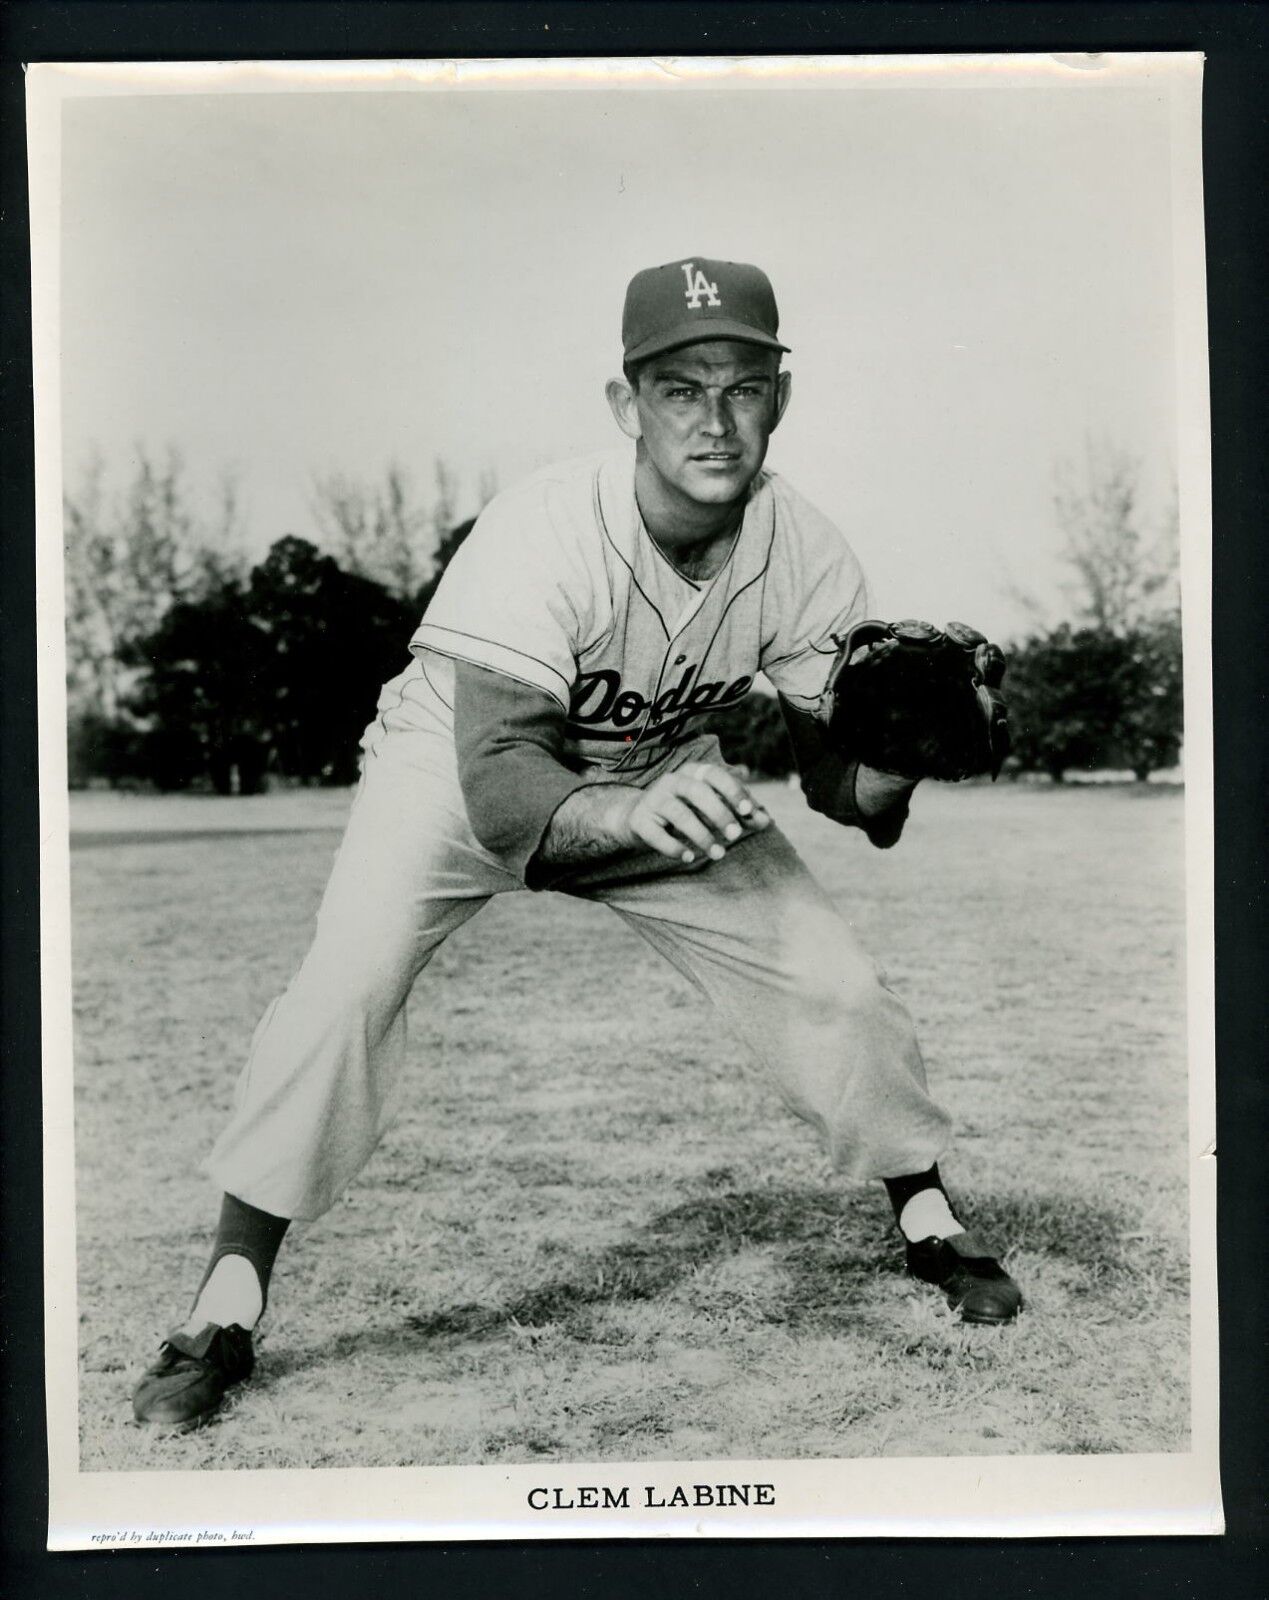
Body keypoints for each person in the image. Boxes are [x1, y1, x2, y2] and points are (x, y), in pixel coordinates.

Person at [133, 255, 1022, 1427]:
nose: (714, 417)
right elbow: (505, 790)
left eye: (744, 385)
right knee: (341, 986)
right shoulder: (544, 528)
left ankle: (923, 1208)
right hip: (450, 770)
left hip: (656, 779)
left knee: (837, 983)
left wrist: (902, 756)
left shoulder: (804, 553)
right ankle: (230, 1295)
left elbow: (844, 794)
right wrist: (613, 810)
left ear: (780, 399)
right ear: (626, 405)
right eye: (679, 387)